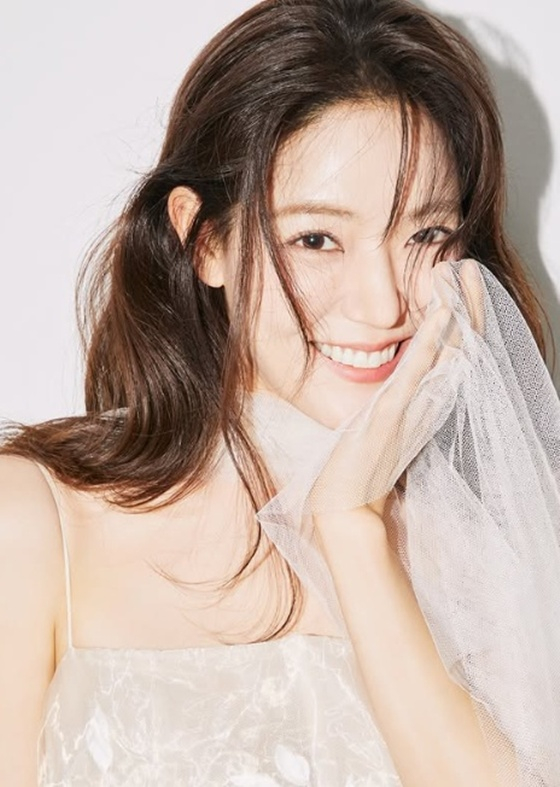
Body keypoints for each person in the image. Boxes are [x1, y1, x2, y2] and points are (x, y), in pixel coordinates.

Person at [1, 0, 559, 784]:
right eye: (317, 239)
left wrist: (350, 525)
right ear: (206, 240)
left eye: (425, 235)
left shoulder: (498, 549)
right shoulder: (37, 523)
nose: (383, 305)